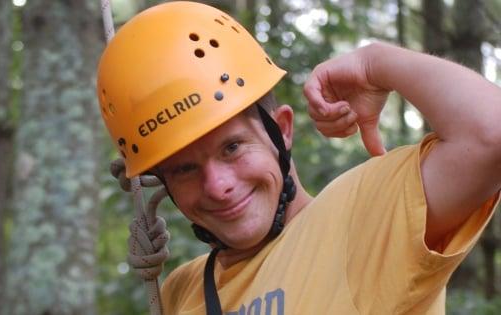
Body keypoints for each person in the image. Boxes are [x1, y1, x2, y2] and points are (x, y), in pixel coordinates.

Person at [97, 2, 501, 314]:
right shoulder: (179, 292)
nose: (218, 185)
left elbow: (490, 134)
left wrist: (375, 62)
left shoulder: (365, 216)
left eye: (232, 148)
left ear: (282, 130)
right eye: (184, 169)